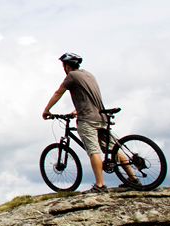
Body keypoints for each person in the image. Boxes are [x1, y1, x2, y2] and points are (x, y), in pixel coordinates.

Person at [42, 52, 142, 193]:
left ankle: (100, 185)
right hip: (101, 117)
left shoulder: (71, 76)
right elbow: (88, 96)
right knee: (113, 149)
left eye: (63, 65)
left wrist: (47, 110)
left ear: (66, 65)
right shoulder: (88, 75)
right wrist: (77, 110)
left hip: (87, 120)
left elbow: (58, 93)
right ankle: (132, 179)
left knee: (93, 151)